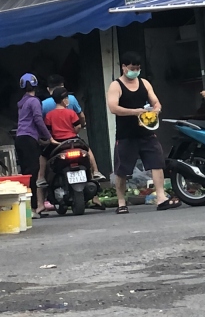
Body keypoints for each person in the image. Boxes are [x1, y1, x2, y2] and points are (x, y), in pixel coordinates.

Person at [108, 52, 177, 213]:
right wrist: (134, 112)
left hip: (147, 131)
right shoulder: (116, 86)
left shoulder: (144, 83)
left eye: (138, 68)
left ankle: (161, 198)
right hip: (126, 135)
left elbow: (155, 101)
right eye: (132, 68)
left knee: (157, 163)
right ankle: (121, 203)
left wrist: (157, 109)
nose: (135, 71)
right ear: (124, 67)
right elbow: (113, 107)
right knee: (122, 170)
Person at [42, 87, 107, 182]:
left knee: (42, 156)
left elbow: (48, 131)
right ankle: (96, 171)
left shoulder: (49, 115)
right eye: (67, 98)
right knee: (87, 150)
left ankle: (41, 177)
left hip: (57, 143)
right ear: (64, 100)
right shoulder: (71, 113)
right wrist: (74, 132)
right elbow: (78, 126)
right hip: (73, 140)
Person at [15, 73, 53, 214]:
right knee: (33, 172)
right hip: (29, 139)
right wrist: (49, 137)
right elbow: (38, 120)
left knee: (26, 173)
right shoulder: (34, 101)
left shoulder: (22, 102)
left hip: (20, 138)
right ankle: (33, 207)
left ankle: (27, 208)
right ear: (36, 85)